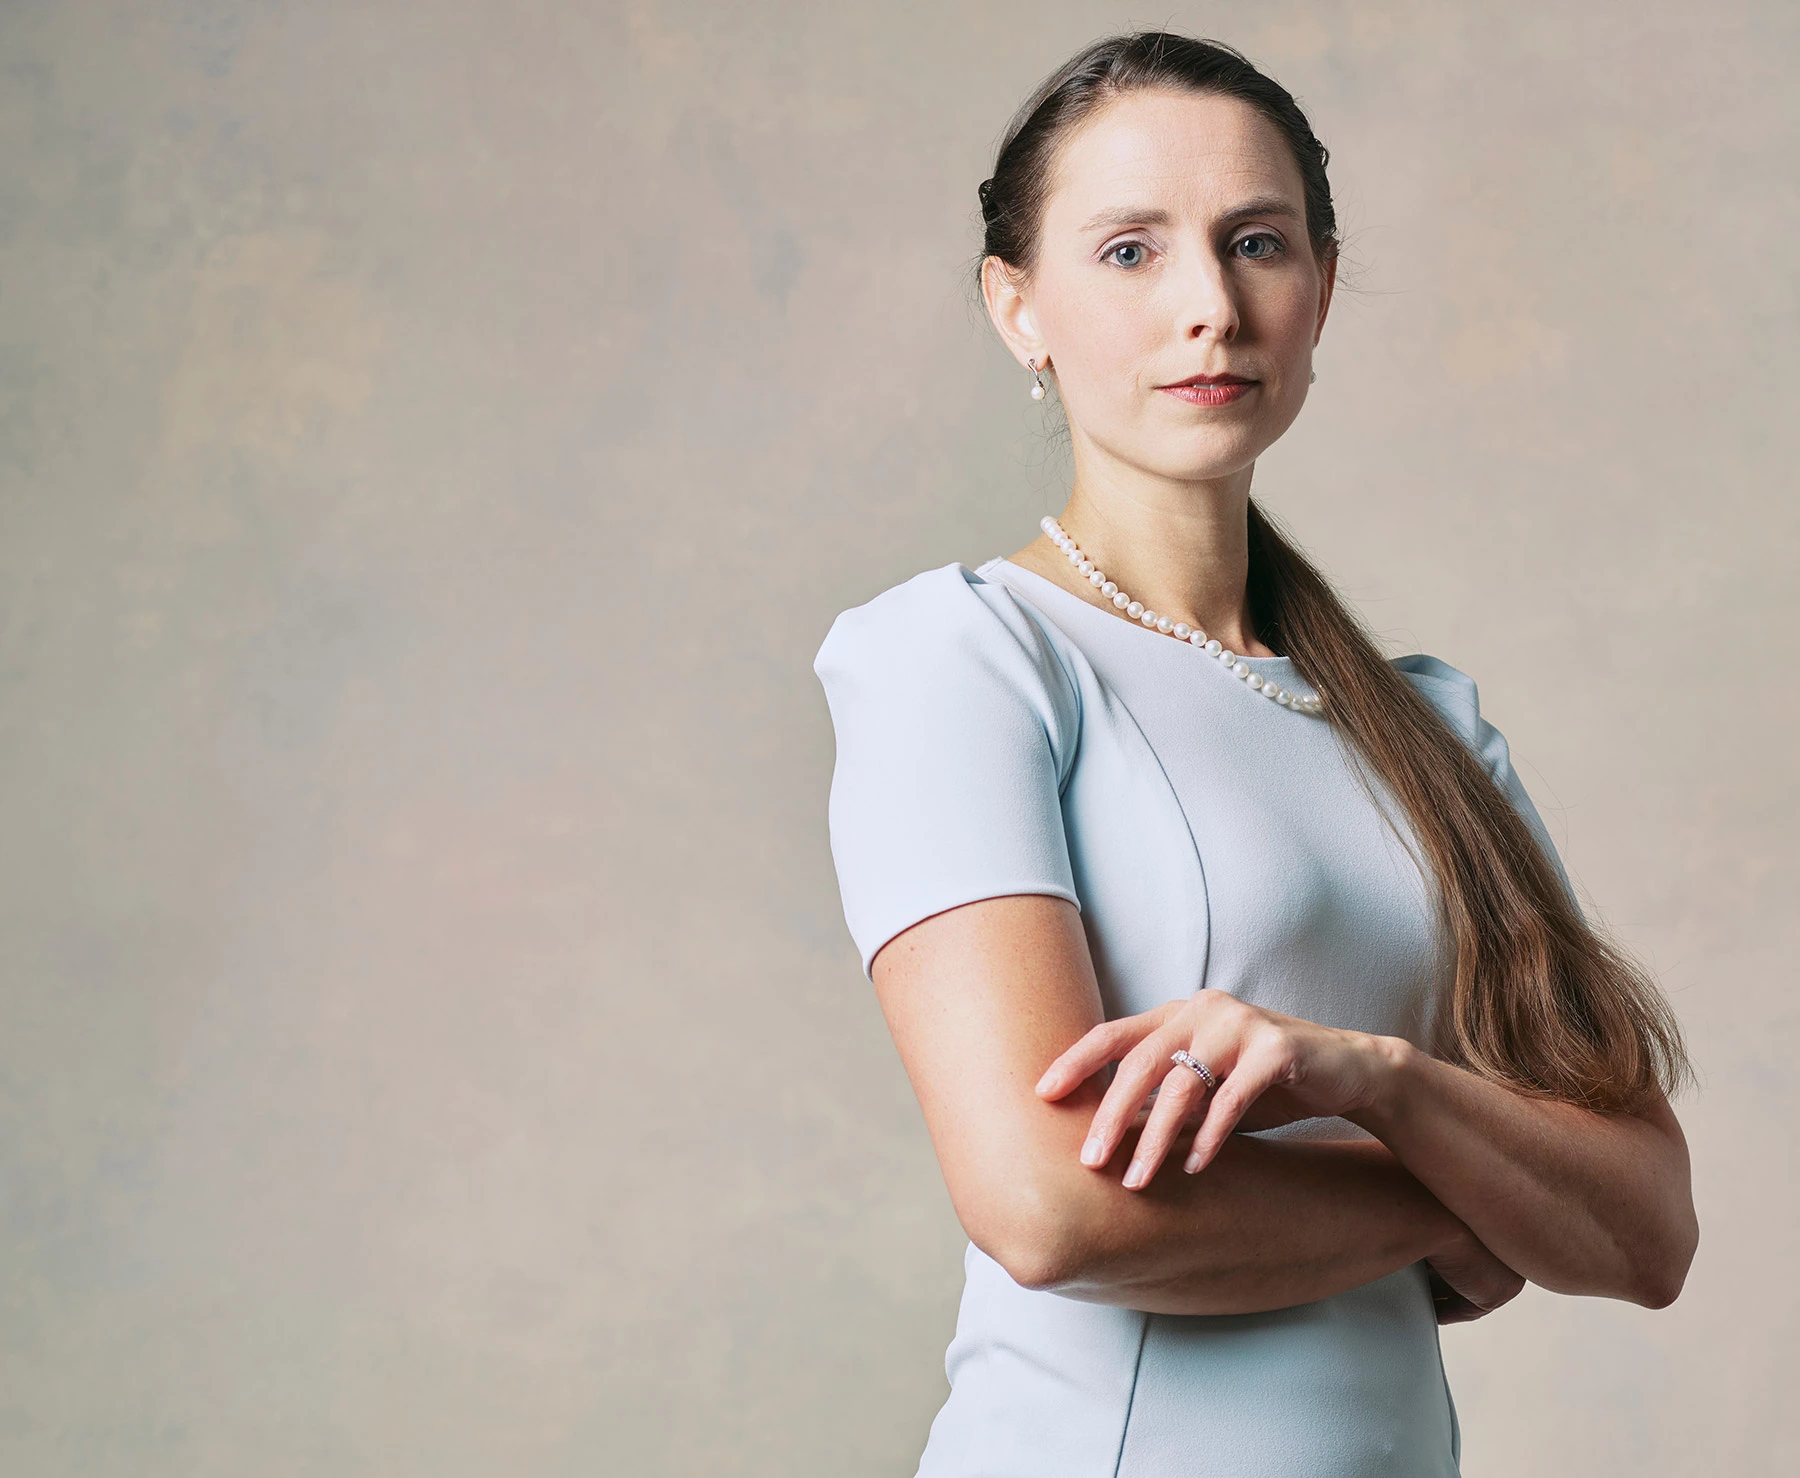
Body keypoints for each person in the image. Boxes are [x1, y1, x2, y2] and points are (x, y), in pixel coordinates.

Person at [811, 30, 1697, 1478]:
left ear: (1322, 290)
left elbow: (1647, 1227)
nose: (1210, 307)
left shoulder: (1431, 731)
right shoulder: (963, 660)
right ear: (1016, 306)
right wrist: (1465, 1190)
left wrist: (1380, 1079)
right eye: (1129, 252)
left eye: (1257, 243)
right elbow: (1049, 1209)